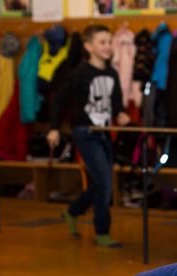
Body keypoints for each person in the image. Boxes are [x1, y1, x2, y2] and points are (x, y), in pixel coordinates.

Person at [47, 24, 130, 248]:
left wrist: (121, 115)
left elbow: (116, 105)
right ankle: (102, 232)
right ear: (88, 46)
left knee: (102, 181)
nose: (107, 46)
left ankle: (73, 211)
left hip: (104, 133)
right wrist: (54, 128)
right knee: (104, 181)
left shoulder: (112, 73)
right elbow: (58, 100)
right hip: (85, 133)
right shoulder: (80, 73)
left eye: (109, 42)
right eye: (102, 42)